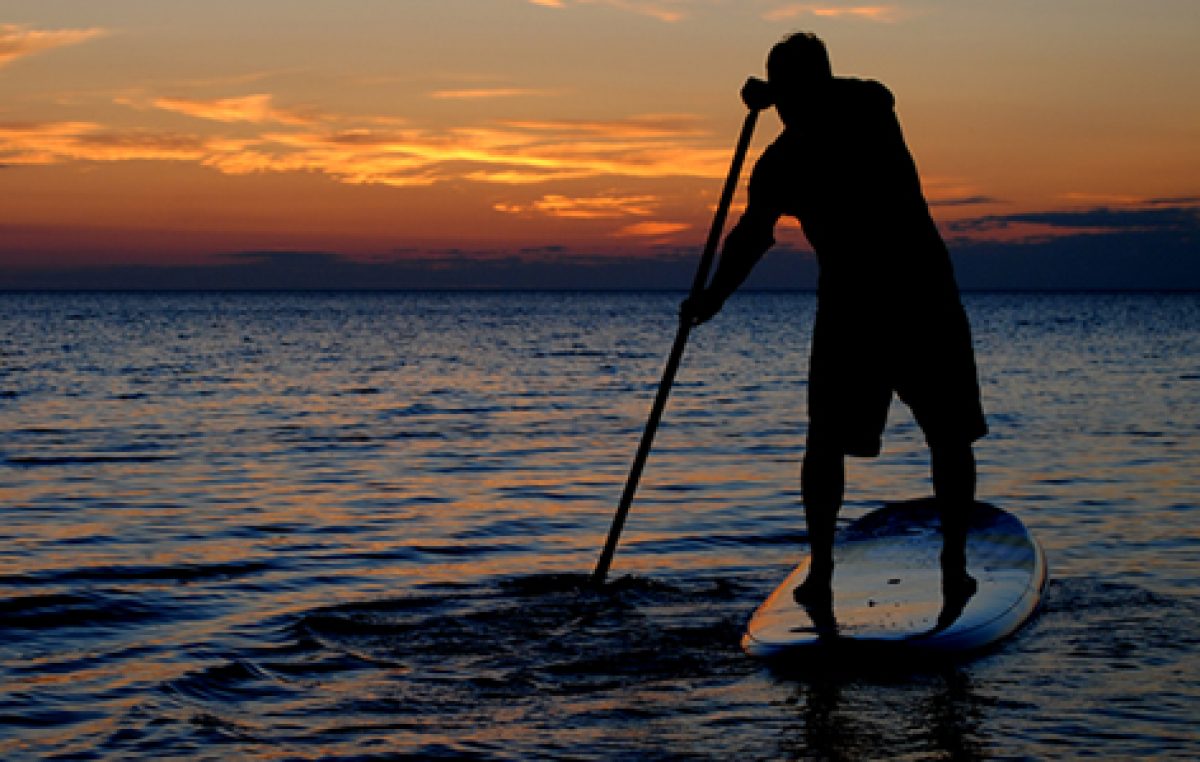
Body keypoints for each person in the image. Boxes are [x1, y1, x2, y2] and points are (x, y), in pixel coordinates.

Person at [682, 32, 987, 607]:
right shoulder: (779, 164)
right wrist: (713, 298)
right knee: (824, 440)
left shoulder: (867, 109)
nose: (793, 107)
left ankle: (955, 564)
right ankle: (820, 571)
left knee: (948, 435)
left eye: (797, 90)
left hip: (921, 295)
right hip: (850, 310)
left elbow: (870, 93)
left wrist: (777, 91)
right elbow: (750, 237)